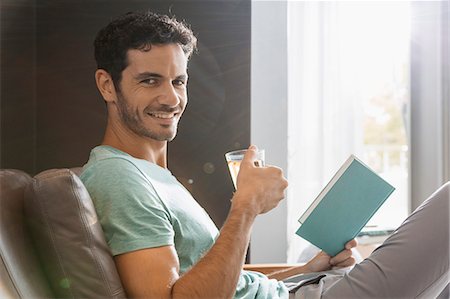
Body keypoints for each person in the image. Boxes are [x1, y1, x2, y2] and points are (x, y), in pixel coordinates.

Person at [80, 10, 449, 299]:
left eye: (178, 81)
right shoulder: (119, 177)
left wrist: (311, 268)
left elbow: (230, 285)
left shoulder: (153, 175)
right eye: (149, 81)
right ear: (107, 85)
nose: (171, 98)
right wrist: (246, 207)